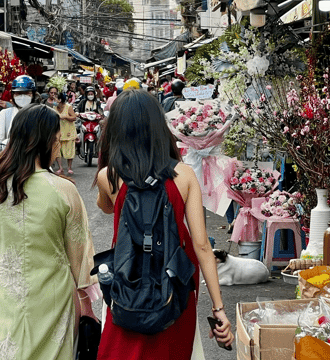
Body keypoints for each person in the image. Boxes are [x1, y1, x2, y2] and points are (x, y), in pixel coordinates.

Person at [0, 105, 97, 359]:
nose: (58, 147)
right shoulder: (63, 190)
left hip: (7, 292)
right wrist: (86, 303)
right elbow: (79, 255)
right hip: (55, 297)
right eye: (57, 141)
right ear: (47, 142)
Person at [94, 90, 234, 359]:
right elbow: (202, 245)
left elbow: (106, 207)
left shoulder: (108, 176)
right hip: (174, 285)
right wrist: (219, 310)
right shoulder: (184, 175)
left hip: (127, 281)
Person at [0, 74, 36, 149]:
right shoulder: (5, 114)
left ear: (33, 95)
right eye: (18, 93)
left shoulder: (40, 113)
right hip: (10, 156)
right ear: (13, 95)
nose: (22, 97)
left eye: (26, 93)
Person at [55, 92, 77, 175]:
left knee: (69, 150)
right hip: (58, 131)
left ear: (60, 100)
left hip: (68, 131)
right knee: (57, 150)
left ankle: (69, 167)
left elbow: (74, 117)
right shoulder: (54, 107)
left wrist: (66, 117)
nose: (54, 100)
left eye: (56, 98)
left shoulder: (68, 107)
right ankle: (60, 167)